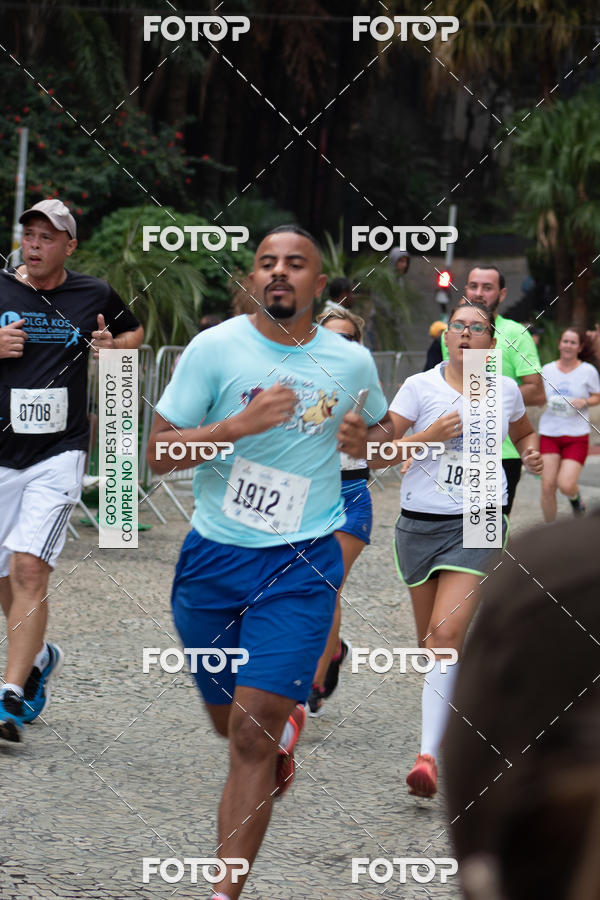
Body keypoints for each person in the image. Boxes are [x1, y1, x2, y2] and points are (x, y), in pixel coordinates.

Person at [146, 225, 391, 900]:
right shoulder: (214, 350)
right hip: (213, 561)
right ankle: (280, 732)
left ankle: (225, 892)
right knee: (230, 726)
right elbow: (156, 455)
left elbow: (384, 432)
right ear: (254, 279)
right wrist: (231, 430)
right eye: (266, 263)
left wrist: (364, 437)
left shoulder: (349, 363)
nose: (279, 272)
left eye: (296, 264)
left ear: (320, 283)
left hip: (302, 563)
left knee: (250, 737)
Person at [370, 299, 542, 799]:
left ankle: (428, 757)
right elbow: (378, 453)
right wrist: (427, 436)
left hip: (481, 520)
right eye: (458, 327)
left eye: (477, 328)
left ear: (492, 341)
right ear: (447, 338)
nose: (466, 334)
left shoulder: (503, 389)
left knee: (444, 636)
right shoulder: (418, 387)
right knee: (434, 645)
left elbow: (524, 432)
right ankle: (463, 700)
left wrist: (529, 452)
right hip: (419, 526)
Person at [0, 198, 144, 742]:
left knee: (30, 570)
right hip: (1, 454)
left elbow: (133, 333)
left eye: (47, 237)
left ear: (68, 246)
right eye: (29, 235)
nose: (34, 245)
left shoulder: (93, 293)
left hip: (58, 452)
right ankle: (37, 658)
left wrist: (111, 347)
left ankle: (10, 696)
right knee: (5, 575)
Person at [443, 510, 600, 900]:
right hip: (422, 520)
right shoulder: (550, 565)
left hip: (481, 510)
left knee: (444, 633)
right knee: (436, 635)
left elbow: (475, 766)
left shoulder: (554, 565)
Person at [306, 308, 371, 717]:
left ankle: (309, 687)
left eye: (349, 338)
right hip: (303, 498)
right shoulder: (294, 380)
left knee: (324, 587)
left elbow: (391, 437)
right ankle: (333, 653)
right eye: (332, 338)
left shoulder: (369, 387)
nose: (341, 346)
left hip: (348, 495)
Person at [441, 265, 545, 513]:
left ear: (502, 294)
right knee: (450, 525)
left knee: (483, 538)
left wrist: (490, 397)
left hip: (501, 452)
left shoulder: (515, 334)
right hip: (454, 451)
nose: (478, 293)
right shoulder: (454, 333)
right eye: (473, 286)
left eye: (487, 288)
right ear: (465, 289)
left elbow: (537, 391)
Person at [539, 327, 600, 521]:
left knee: (565, 484)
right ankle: (549, 532)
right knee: (548, 486)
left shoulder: (588, 371)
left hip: (576, 435)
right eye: (565, 341)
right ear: (559, 344)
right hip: (549, 433)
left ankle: (576, 500)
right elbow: (538, 394)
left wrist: (585, 402)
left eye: (573, 342)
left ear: (580, 347)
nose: (568, 345)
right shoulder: (547, 369)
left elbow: (597, 396)